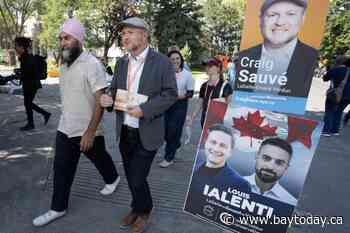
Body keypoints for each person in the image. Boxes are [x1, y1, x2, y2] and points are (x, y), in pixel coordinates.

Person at [32, 18, 120, 227]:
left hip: (87, 127)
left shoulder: (92, 64)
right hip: (65, 127)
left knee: (99, 157)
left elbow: (100, 100)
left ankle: (113, 178)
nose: (63, 42)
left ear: (79, 39)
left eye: (67, 38)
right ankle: (58, 208)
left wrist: (90, 132)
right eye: (61, 38)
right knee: (61, 168)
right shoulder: (64, 63)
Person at [100, 17, 177, 233]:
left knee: (137, 176)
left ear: (144, 35)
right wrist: (108, 99)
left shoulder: (161, 62)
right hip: (125, 130)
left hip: (148, 130)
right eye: (123, 34)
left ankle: (145, 210)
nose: (124, 37)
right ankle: (136, 207)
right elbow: (113, 91)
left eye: (130, 32)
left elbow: (171, 94)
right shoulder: (122, 63)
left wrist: (145, 109)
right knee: (131, 175)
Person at [235, 0, 318, 97]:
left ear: (303, 18)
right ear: (260, 19)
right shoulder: (244, 57)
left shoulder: (310, 59)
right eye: (272, 15)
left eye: (290, 14)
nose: (280, 22)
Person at [185, 124, 251, 213]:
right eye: (213, 142)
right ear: (205, 143)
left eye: (223, 145)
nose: (216, 148)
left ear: (230, 152)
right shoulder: (193, 167)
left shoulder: (241, 184)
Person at [159, 50, 194, 168]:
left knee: (173, 130)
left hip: (180, 106)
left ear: (181, 60)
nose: (175, 61)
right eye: (172, 59)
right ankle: (176, 143)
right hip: (165, 105)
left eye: (177, 58)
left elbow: (190, 93)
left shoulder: (187, 74)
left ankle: (169, 158)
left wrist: (180, 96)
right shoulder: (164, 73)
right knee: (164, 131)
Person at [244, 137, 297, 206]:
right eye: (266, 158)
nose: (270, 167)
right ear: (256, 156)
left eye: (279, 162)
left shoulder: (291, 203)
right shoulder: (232, 184)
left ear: (286, 168)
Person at [14, 37, 51, 131]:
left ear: (22, 47)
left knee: (28, 104)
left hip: (31, 84)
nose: (15, 48)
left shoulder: (27, 57)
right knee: (28, 104)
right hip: (30, 84)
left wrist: (19, 73)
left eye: (17, 46)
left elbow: (29, 72)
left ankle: (35, 121)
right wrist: (19, 72)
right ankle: (38, 119)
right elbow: (27, 71)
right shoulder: (24, 57)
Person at [187, 58, 233, 128]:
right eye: (206, 66)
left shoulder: (226, 86)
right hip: (204, 120)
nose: (207, 68)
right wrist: (192, 117)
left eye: (210, 66)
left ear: (218, 69)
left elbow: (230, 104)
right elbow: (200, 103)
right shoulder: (204, 86)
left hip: (219, 122)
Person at [321, 56, 350, 136]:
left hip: (335, 94)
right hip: (347, 96)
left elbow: (325, 78)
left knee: (329, 111)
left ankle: (326, 131)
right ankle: (335, 130)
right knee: (339, 112)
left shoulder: (335, 69)